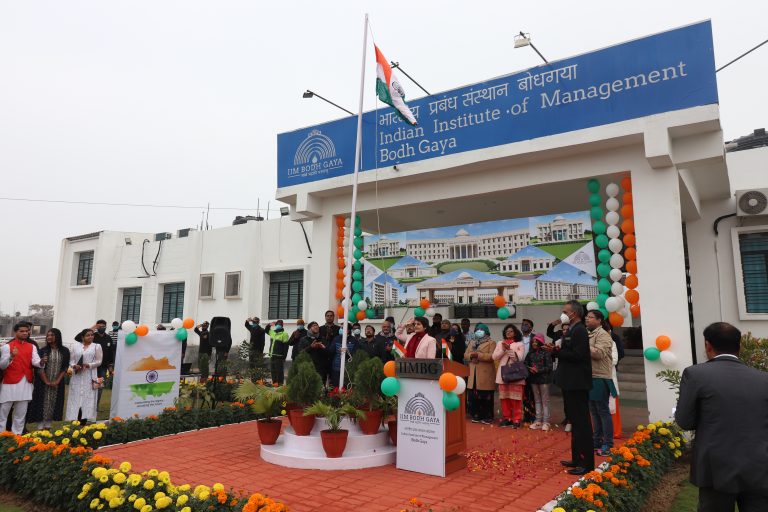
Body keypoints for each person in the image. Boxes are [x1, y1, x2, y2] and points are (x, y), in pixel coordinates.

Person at [675, 322, 768, 512]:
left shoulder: (695, 374)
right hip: (759, 465)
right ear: (739, 346)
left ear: (707, 345)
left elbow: (685, 421)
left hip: (715, 467)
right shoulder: (763, 378)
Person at [548, 300, 594, 475]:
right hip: (569, 381)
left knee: (582, 423)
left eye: (565, 311)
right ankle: (577, 458)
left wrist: (558, 352)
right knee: (574, 421)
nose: (563, 314)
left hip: (577, 382)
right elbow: (570, 352)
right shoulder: (572, 329)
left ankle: (586, 463)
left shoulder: (580, 330)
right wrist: (555, 350)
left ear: (573, 313)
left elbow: (578, 355)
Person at [0, 322, 47, 434]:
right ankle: (1, 436)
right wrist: (11, 356)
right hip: (9, 383)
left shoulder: (32, 346)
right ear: (15, 332)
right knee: (3, 414)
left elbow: (36, 362)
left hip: (26, 383)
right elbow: (2, 366)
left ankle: (17, 436)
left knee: (20, 414)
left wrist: (41, 362)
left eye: (26, 331)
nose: (25, 333)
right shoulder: (7, 346)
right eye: (22, 331)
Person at [585, 310, 616, 456]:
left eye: (591, 317)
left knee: (603, 411)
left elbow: (599, 354)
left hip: (600, 377)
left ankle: (608, 444)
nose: (587, 319)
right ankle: (596, 440)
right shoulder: (589, 334)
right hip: (590, 376)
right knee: (593, 411)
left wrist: (583, 344)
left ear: (599, 320)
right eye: (587, 317)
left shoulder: (603, 335)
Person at [28, 328, 70, 430]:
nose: (49, 337)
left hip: (57, 383)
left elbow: (65, 367)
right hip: (42, 382)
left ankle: (48, 427)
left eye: (52, 335)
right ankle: (40, 428)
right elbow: (39, 368)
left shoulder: (65, 351)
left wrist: (57, 381)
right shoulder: (43, 350)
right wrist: (46, 381)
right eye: (48, 335)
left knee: (53, 403)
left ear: (58, 336)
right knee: (41, 403)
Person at [65, 328, 103, 424]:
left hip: (89, 375)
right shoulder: (75, 346)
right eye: (88, 335)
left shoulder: (96, 346)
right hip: (77, 376)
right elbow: (71, 360)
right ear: (82, 337)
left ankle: (84, 420)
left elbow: (99, 361)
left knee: (87, 398)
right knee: (75, 397)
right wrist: (74, 366)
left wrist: (89, 365)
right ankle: (74, 420)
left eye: (92, 335)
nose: (90, 337)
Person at [494, 324, 525, 428]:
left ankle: (516, 419)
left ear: (515, 333)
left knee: (515, 399)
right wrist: (503, 349)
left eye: (511, 331)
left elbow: (519, 359)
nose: (508, 333)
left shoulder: (519, 344)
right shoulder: (500, 343)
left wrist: (510, 349)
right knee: (504, 398)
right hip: (502, 375)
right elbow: (494, 357)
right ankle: (507, 418)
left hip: (515, 375)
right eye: (507, 331)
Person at [464, 323, 496, 425]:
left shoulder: (491, 343)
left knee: (485, 395)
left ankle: (488, 416)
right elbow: (465, 355)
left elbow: (492, 356)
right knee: (474, 395)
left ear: (486, 332)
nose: (479, 331)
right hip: (473, 373)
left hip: (485, 373)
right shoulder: (472, 342)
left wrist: (478, 355)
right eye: (477, 329)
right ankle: (476, 415)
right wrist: (471, 356)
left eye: (481, 330)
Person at [525, 333, 553, 431]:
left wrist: (538, 370)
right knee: (537, 400)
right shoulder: (530, 354)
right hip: (533, 380)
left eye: (536, 341)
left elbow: (549, 367)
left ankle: (546, 422)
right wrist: (529, 369)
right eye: (533, 341)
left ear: (541, 342)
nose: (534, 343)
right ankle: (538, 421)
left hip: (544, 380)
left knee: (545, 401)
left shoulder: (546, 353)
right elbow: (525, 364)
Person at [327, 323, 360, 388]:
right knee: (335, 387)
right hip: (336, 368)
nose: (340, 329)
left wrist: (347, 352)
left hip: (348, 369)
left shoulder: (354, 340)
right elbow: (330, 351)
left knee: (346, 388)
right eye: (340, 328)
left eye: (342, 328)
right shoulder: (336, 338)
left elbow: (355, 355)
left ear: (348, 330)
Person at [91, 319, 115, 407]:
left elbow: (110, 353)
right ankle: (89, 406)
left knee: (100, 387)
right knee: (90, 386)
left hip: (103, 367)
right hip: (92, 366)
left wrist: (111, 367)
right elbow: (80, 337)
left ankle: (95, 406)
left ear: (106, 327)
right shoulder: (92, 336)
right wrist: (93, 327)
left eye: (103, 326)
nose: (101, 328)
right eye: (99, 326)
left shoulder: (108, 338)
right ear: (97, 327)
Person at [266, 320, 289, 385]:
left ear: (282, 326)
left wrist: (284, 357)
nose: (279, 325)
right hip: (272, 355)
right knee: (273, 371)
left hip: (279, 356)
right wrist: (269, 324)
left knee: (279, 372)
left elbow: (286, 347)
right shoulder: (272, 332)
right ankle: (274, 384)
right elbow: (266, 330)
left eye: (280, 324)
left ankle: (280, 385)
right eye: (278, 324)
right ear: (275, 325)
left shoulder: (284, 334)